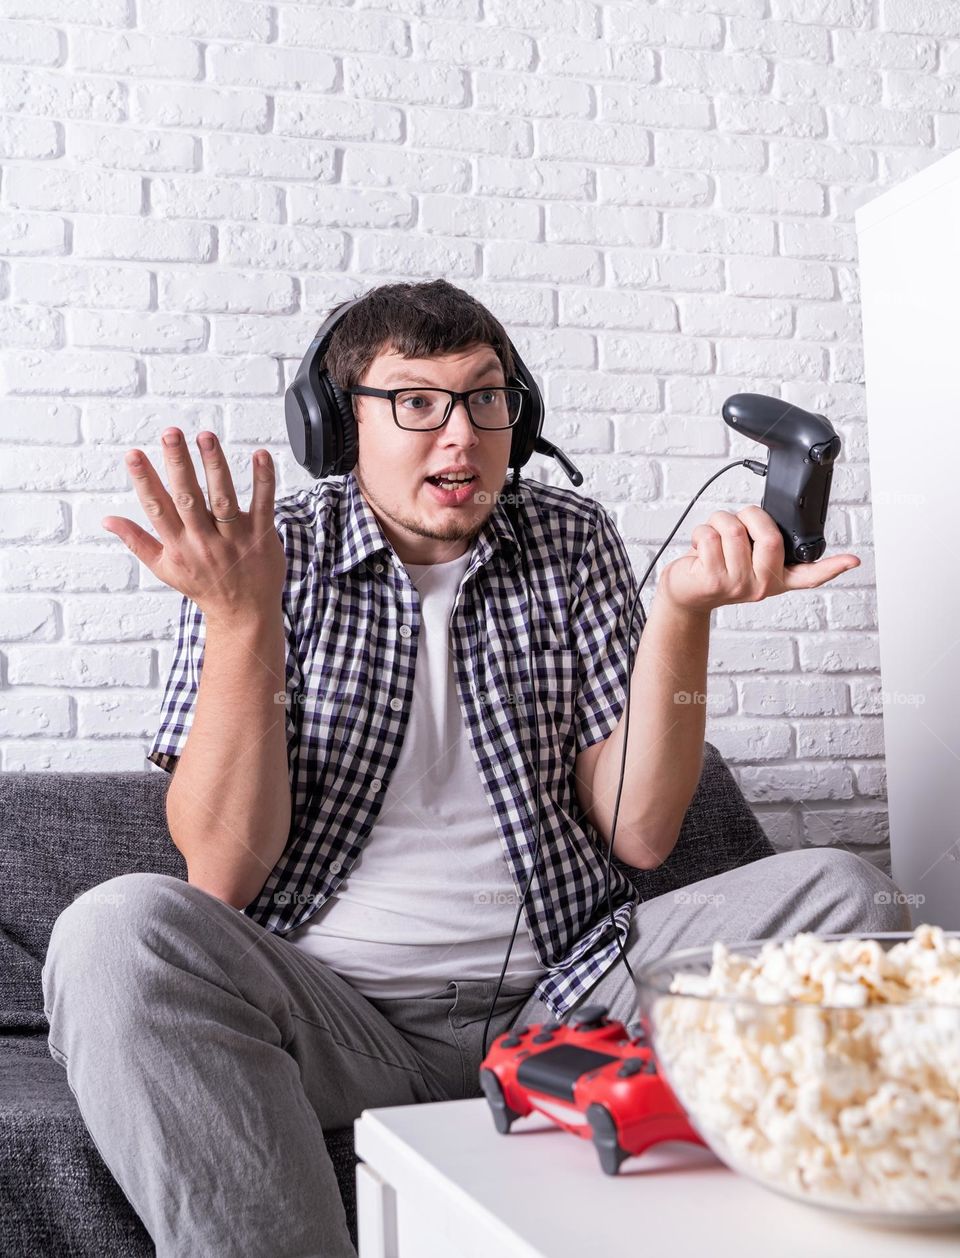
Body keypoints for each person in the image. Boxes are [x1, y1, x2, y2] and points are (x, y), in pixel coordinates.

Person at [41, 279, 912, 1258]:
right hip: (339, 1017)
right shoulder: (267, 552)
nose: (459, 435)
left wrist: (683, 614)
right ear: (339, 426)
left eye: (484, 399)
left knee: (844, 895)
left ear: (518, 414)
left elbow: (639, 832)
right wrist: (243, 621)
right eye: (416, 402)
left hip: (574, 998)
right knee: (116, 930)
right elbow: (223, 873)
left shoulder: (569, 541)